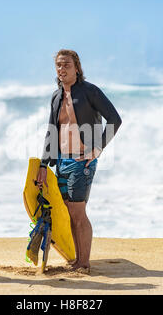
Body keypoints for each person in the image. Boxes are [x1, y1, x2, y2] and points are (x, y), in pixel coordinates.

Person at [36, 49, 122, 273]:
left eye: (66, 65)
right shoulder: (56, 97)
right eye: (58, 65)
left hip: (82, 161)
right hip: (62, 161)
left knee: (77, 212)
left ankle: (84, 263)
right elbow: (51, 132)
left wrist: (98, 148)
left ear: (77, 68)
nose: (61, 69)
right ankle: (78, 259)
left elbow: (114, 118)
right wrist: (44, 165)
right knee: (69, 211)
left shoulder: (89, 91)